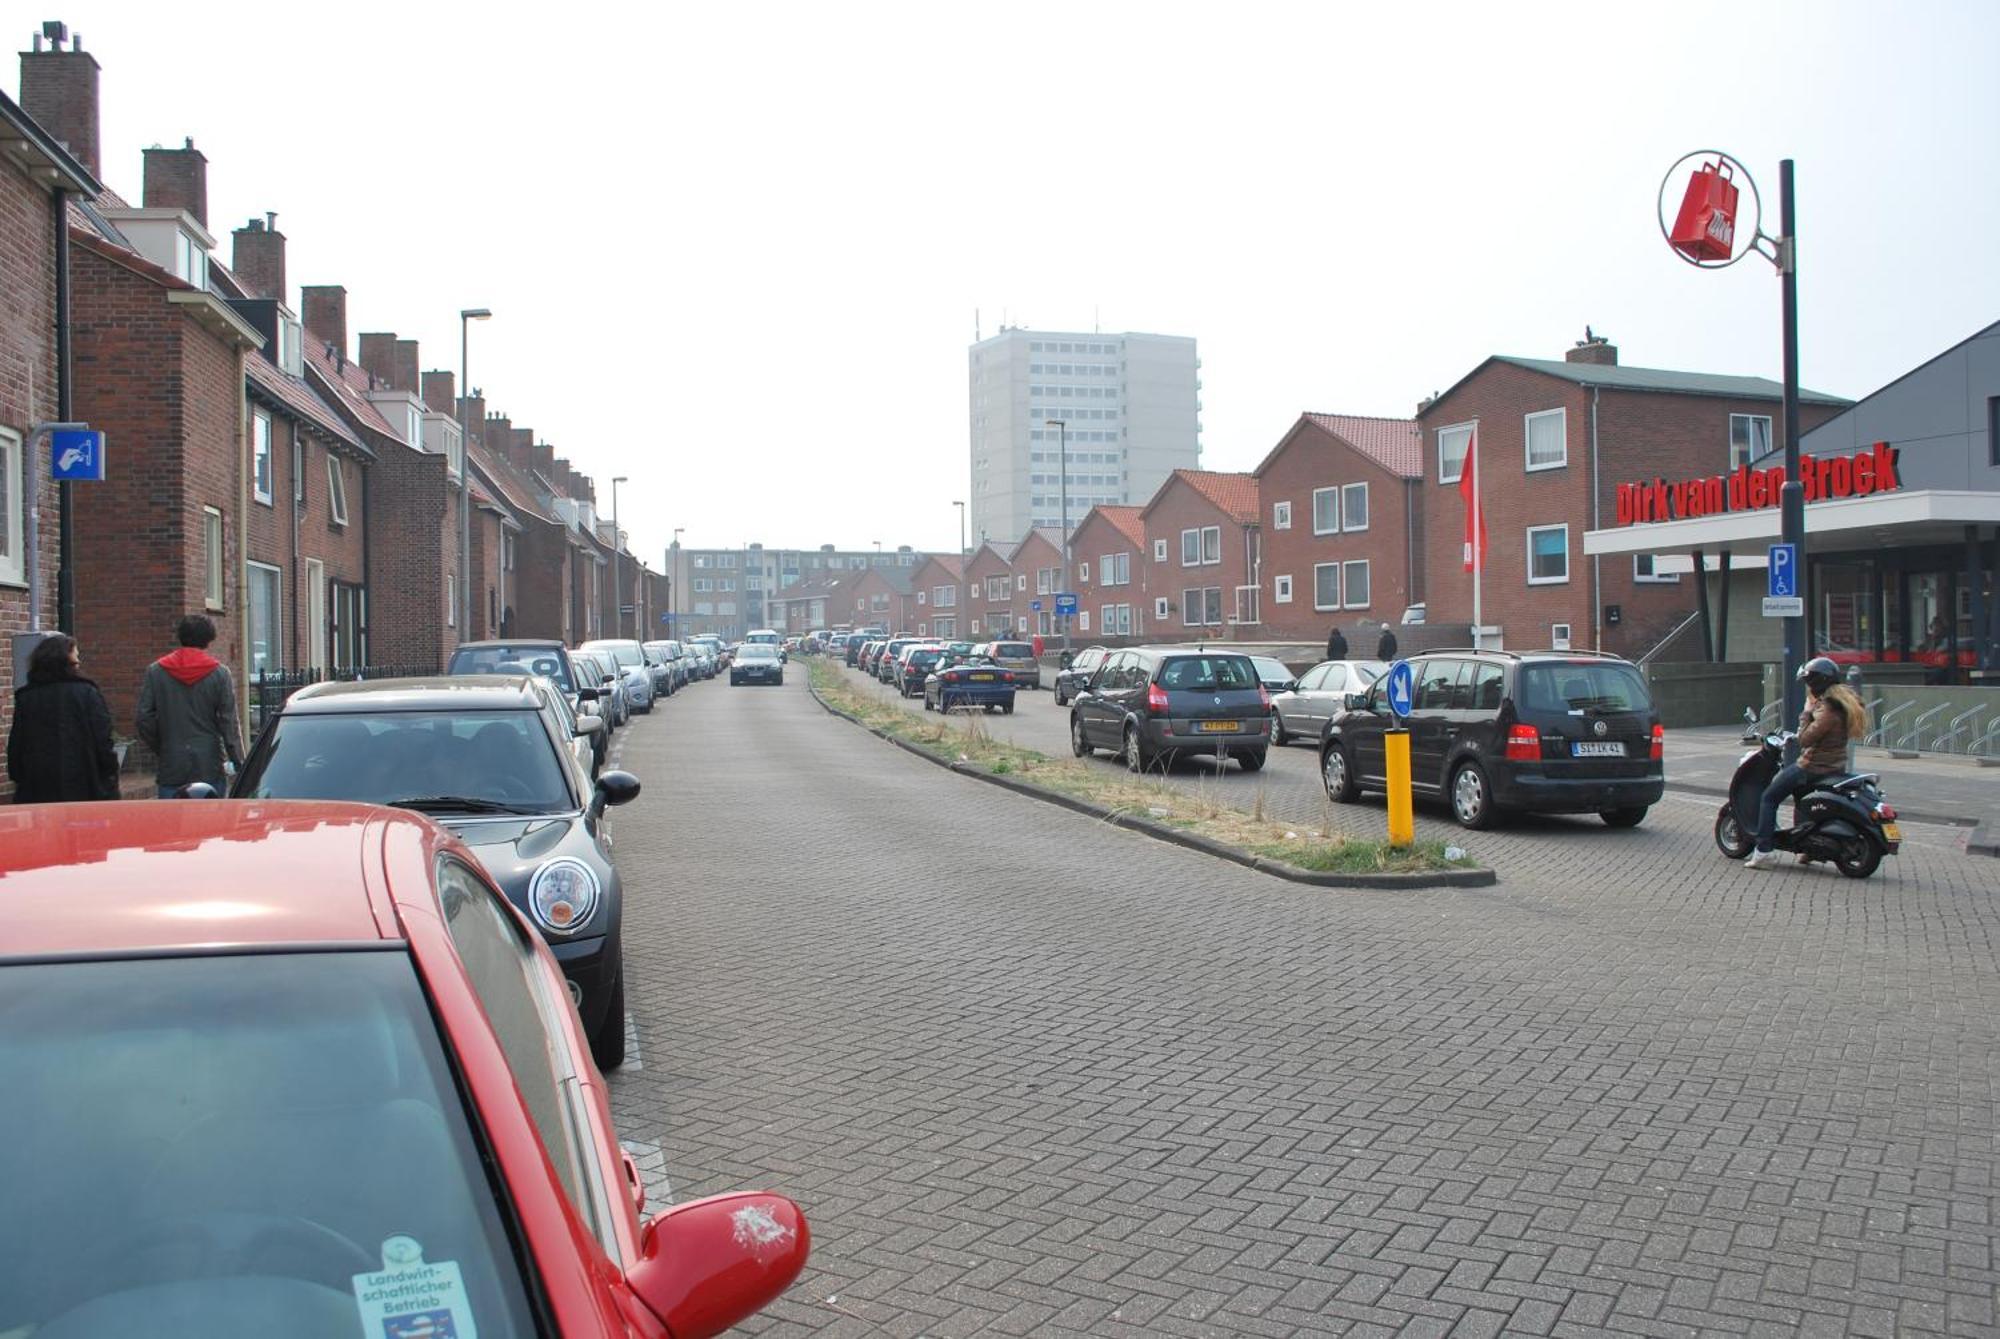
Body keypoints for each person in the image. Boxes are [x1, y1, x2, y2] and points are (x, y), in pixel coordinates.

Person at [1744, 657, 1870, 870]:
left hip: (1812, 767)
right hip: (1835, 766)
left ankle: (1764, 851)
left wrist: (1806, 712)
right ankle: (1809, 849)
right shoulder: (1844, 703)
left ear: (1815, 684)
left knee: (1769, 798)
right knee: (1802, 801)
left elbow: (1805, 739)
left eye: (1808, 683)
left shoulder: (1826, 709)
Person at [136, 614, 245, 798]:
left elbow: (143, 718)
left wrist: (163, 745)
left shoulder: (156, 672)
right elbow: (229, 723)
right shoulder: (219, 674)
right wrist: (239, 761)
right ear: (208, 640)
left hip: (172, 764)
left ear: (180, 636)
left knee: (171, 823)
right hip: (209, 764)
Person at [6, 634, 120, 803]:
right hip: (86, 786)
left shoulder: (26, 698)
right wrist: (109, 775)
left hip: (38, 787)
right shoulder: (87, 693)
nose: (79, 661)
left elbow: (17, 744)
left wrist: (20, 777)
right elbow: (103, 740)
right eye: (76, 657)